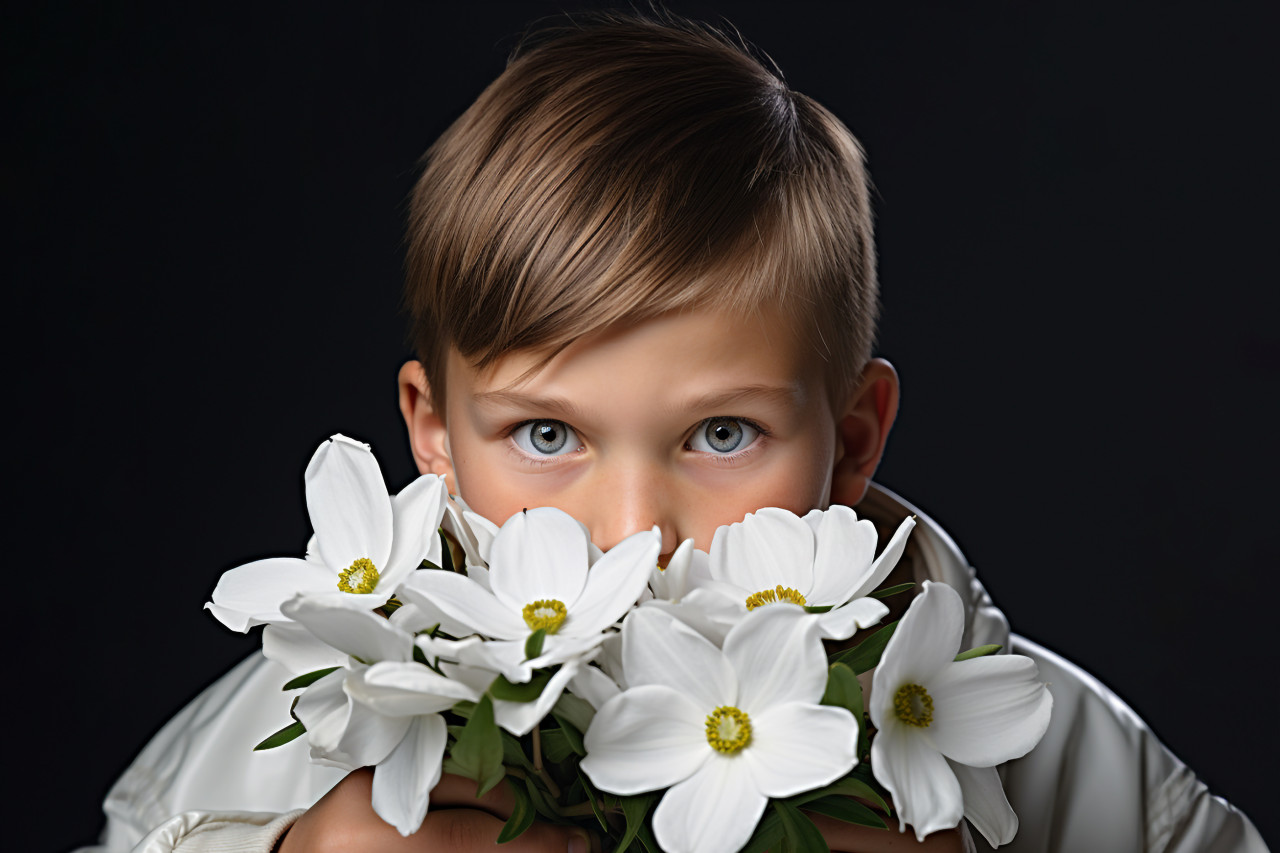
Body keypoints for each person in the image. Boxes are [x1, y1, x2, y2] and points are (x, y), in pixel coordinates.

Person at [82, 11, 1267, 853]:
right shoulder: (289, 733)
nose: (631, 533)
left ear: (851, 440)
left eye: (717, 435)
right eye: (546, 437)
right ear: (431, 434)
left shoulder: (1052, 757)